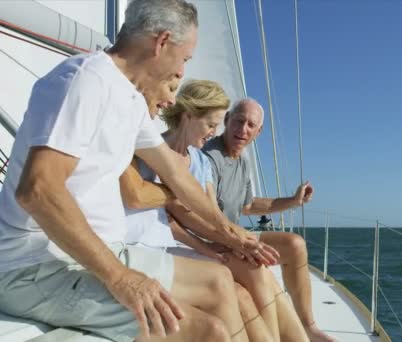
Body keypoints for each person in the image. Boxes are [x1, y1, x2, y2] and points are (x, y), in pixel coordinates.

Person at [0, 1, 255, 341]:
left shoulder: (131, 100)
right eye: (185, 58)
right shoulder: (85, 80)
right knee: (208, 331)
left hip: (95, 251)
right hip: (34, 268)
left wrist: (231, 232)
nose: (182, 67)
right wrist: (121, 278)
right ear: (162, 42)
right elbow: (38, 190)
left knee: (219, 281)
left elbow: (177, 176)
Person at [120, 79, 309, 342]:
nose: (213, 132)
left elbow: (210, 212)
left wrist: (235, 241)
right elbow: (174, 214)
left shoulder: (200, 160)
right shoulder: (155, 151)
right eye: (211, 124)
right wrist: (216, 244)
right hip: (167, 244)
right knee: (244, 285)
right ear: (188, 116)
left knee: (254, 269)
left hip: (196, 242)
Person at [203, 98, 336, 342]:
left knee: (295, 244)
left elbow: (249, 206)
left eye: (250, 125)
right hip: (212, 239)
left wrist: (293, 201)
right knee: (257, 266)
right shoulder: (210, 158)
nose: (243, 130)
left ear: (259, 131)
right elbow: (206, 214)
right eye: (239, 121)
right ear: (227, 120)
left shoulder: (241, 161)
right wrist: (242, 242)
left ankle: (308, 325)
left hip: (235, 235)